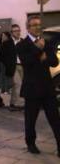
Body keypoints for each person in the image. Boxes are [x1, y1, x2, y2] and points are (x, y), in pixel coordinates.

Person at [16, 15, 60, 157]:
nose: (37, 27)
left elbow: (54, 62)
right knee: (31, 119)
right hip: (32, 88)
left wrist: (45, 56)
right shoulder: (21, 45)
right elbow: (26, 62)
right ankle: (30, 143)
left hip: (47, 87)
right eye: (34, 25)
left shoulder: (46, 42)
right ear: (28, 27)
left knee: (55, 119)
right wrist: (37, 49)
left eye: (39, 25)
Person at [0, 24, 23, 111]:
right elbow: (1, 55)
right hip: (13, 66)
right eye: (15, 31)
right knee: (18, 84)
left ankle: (12, 103)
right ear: (12, 33)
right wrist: (7, 63)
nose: (17, 32)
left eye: (18, 30)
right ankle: (19, 104)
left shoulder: (23, 41)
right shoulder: (7, 43)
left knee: (16, 86)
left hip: (23, 66)